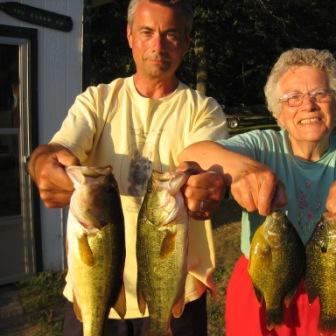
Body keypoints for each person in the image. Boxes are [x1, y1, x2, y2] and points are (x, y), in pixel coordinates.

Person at [179, 48, 336, 336]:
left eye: (320, 94)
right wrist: (242, 168)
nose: (307, 105)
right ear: (279, 112)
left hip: (334, 281)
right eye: (293, 98)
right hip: (263, 281)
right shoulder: (262, 145)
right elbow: (193, 152)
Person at [27, 0, 228, 335]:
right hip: (93, 287)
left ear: (187, 42)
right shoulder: (97, 101)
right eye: (147, 32)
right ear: (130, 35)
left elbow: (202, 158)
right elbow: (57, 149)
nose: (158, 45)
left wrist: (204, 181)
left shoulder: (203, 110)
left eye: (171, 34)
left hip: (177, 291)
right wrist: (40, 164)